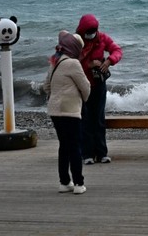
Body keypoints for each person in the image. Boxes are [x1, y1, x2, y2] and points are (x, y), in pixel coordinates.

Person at [44, 31, 91, 195]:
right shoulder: (73, 64)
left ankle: (64, 182)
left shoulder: (54, 61)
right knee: (75, 145)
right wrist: (82, 100)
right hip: (70, 110)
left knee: (64, 145)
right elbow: (86, 87)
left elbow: (46, 87)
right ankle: (79, 183)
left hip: (55, 110)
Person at [76, 14, 122, 165]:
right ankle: (87, 154)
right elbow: (68, 61)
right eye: (88, 32)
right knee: (85, 120)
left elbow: (117, 50)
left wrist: (109, 61)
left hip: (98, 84)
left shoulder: (102, 38)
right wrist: (88, 65)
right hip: (82, 85)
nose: (91, 35)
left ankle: (102, 153)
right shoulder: (76, 41)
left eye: (93, 31)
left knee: (99, 119)